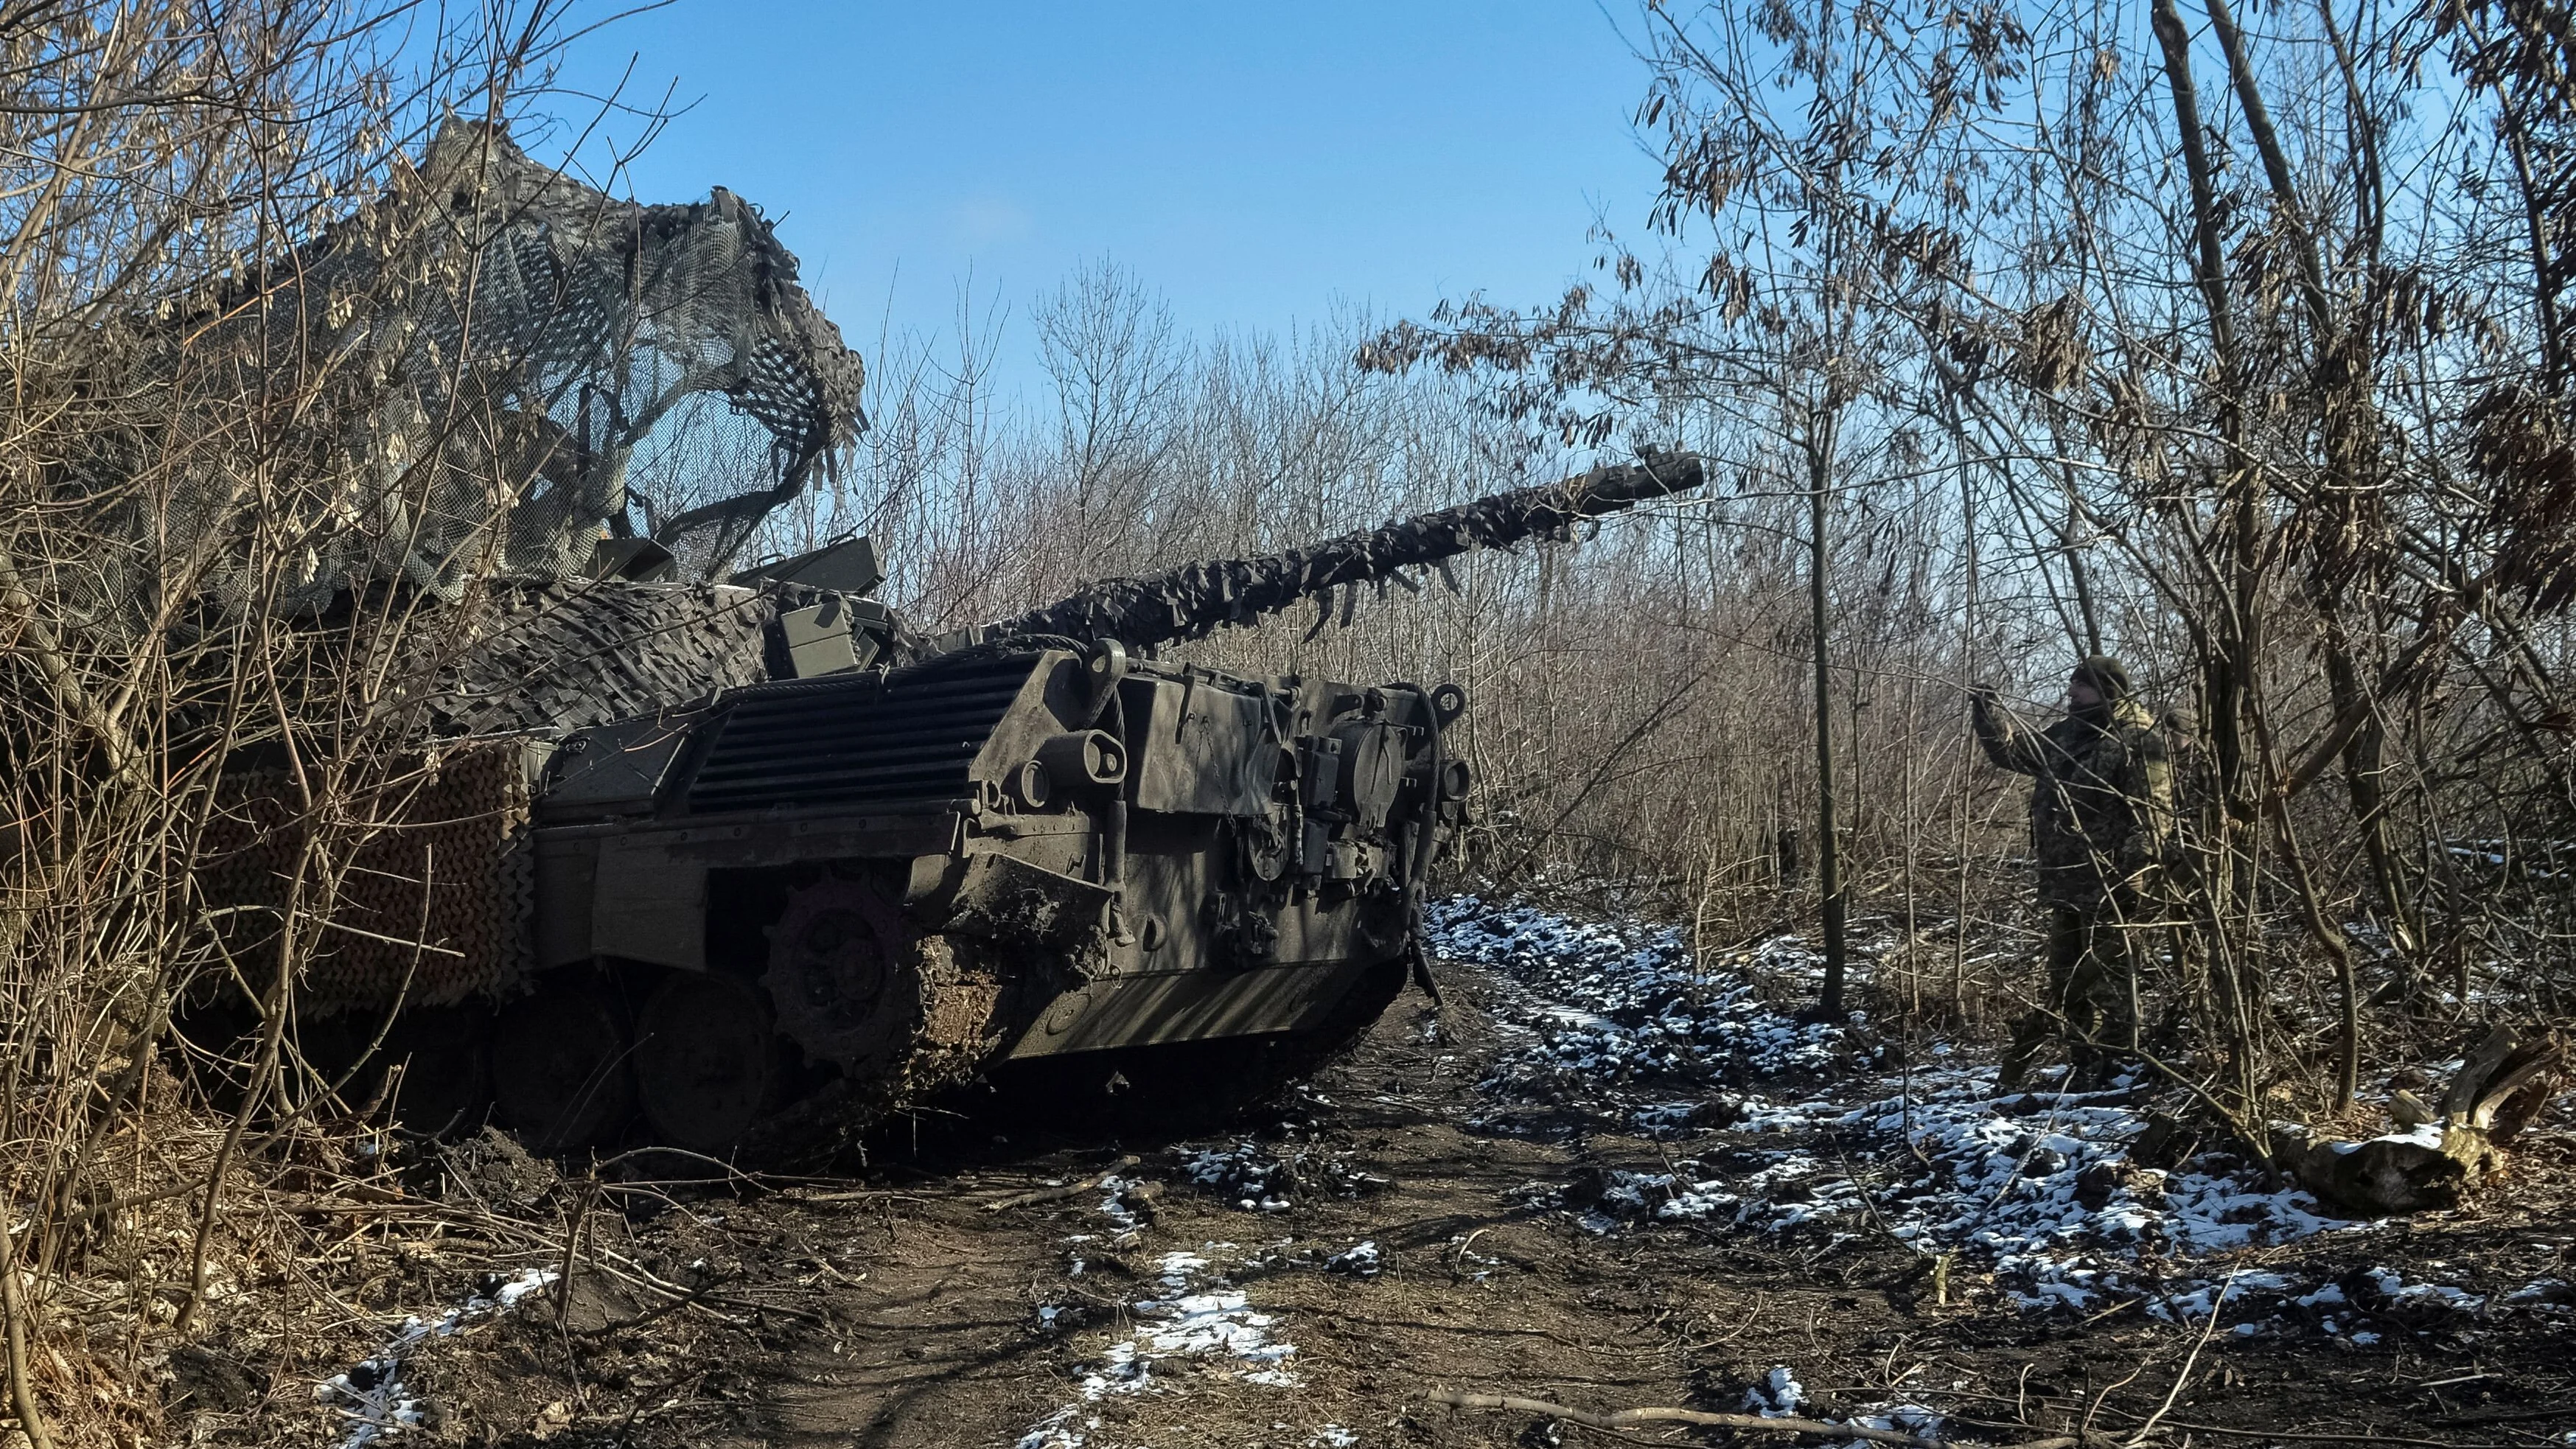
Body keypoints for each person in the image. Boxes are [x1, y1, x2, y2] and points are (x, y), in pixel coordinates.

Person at [1969, 655, 2173, 1089]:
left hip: (2110, 881)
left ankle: (2118, 1064)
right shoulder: (2069, 733)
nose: (2070, 693)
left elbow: (2153, 813)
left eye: (2079, 687)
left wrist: (2134, 876)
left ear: (2107, 691)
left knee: (2108, 978)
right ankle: (2083, 1060)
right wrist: (1987, 714)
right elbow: (2013, 753)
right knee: (2065, 976)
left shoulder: (2139, 739)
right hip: (2065, 880)